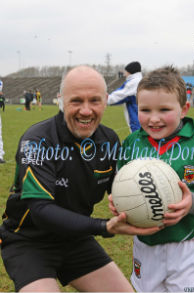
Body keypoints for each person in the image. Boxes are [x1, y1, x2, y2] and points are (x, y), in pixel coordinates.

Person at [0, 65, 160, 292]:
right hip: (29, 241)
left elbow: (125, 188)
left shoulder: (109, 140)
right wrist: (104, 226)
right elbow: (41, 209)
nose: (86, 111)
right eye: (76, 101)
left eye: (94, 101)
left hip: (76, 239)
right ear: (61, 100)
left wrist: (172, 200)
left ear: (105, 101)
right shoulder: (37, 141)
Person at [109, 66, 194, 292]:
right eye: (145, 110)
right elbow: (120, 183)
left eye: (164, 109)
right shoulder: (132, 144)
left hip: (187, 246)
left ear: (184, 109)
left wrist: (192, 204)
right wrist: (118, 200)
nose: (154, 119)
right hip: (145, 245)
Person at [107, 61, 142, 132]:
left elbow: (117, 97)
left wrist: (100, 99)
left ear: (130, 71)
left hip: (137, 120)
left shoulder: (133, 83)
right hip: (145, 119)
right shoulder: (141, 80)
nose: (124, 74)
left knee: (138, 139)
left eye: (126, 71)